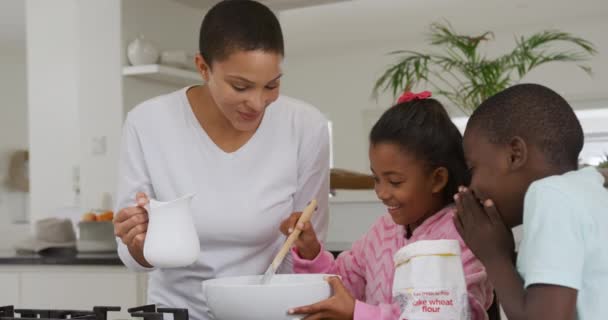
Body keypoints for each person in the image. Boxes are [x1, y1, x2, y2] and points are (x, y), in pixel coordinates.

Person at [112, 1, 330, 319]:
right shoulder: (147, 123)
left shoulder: (306, 127)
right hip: (176, 311)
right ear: (203, 68)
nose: (257, 103)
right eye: (240, 86)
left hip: (268, 311)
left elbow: (308, 250)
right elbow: (134, 257)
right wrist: (137, 242)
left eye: (271, 85)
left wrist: (306, 247)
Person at [282, 91, 494, 320]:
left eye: (395, 182)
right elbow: (340, 287)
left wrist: (358, 313)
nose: (381, 192)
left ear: (437, 179)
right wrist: (310, 250)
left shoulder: (462, 237)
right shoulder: (382, 232)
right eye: (376, 179)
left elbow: (445, 315)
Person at [454, 83, 608, 320]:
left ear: (515, 154)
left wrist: (495, 257)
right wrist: (507, 254)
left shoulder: (551, 195)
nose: (471, 187)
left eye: (473, 168)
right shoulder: (587, 194)